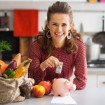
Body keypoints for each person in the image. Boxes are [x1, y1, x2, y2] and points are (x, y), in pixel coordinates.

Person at [28, 1, 87, 90]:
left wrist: (61, 86)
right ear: (48, 24)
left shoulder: (78, 46)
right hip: (42, 95)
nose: (59, 30)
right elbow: (32, 80)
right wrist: (42, 66)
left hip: (65, 93)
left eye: (64, 24)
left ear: (70, 26)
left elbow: (81, 81)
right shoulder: (36, 46)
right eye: (54, 24)